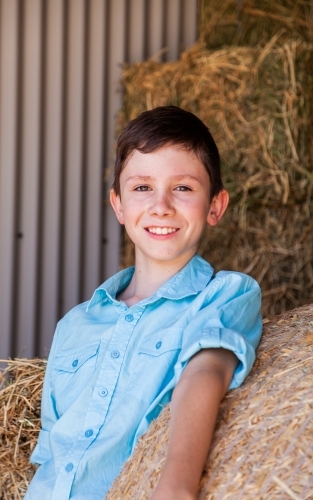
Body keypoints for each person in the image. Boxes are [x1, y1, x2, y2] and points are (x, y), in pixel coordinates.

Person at [25, 106, 262, 500]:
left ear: (216, 206)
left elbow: (205, 374)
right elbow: (51, 449)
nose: (161, 205)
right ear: (118, 205)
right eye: (142, 188)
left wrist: (177, 486)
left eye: (183, 188)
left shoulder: (226, 295)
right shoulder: (75, 325)